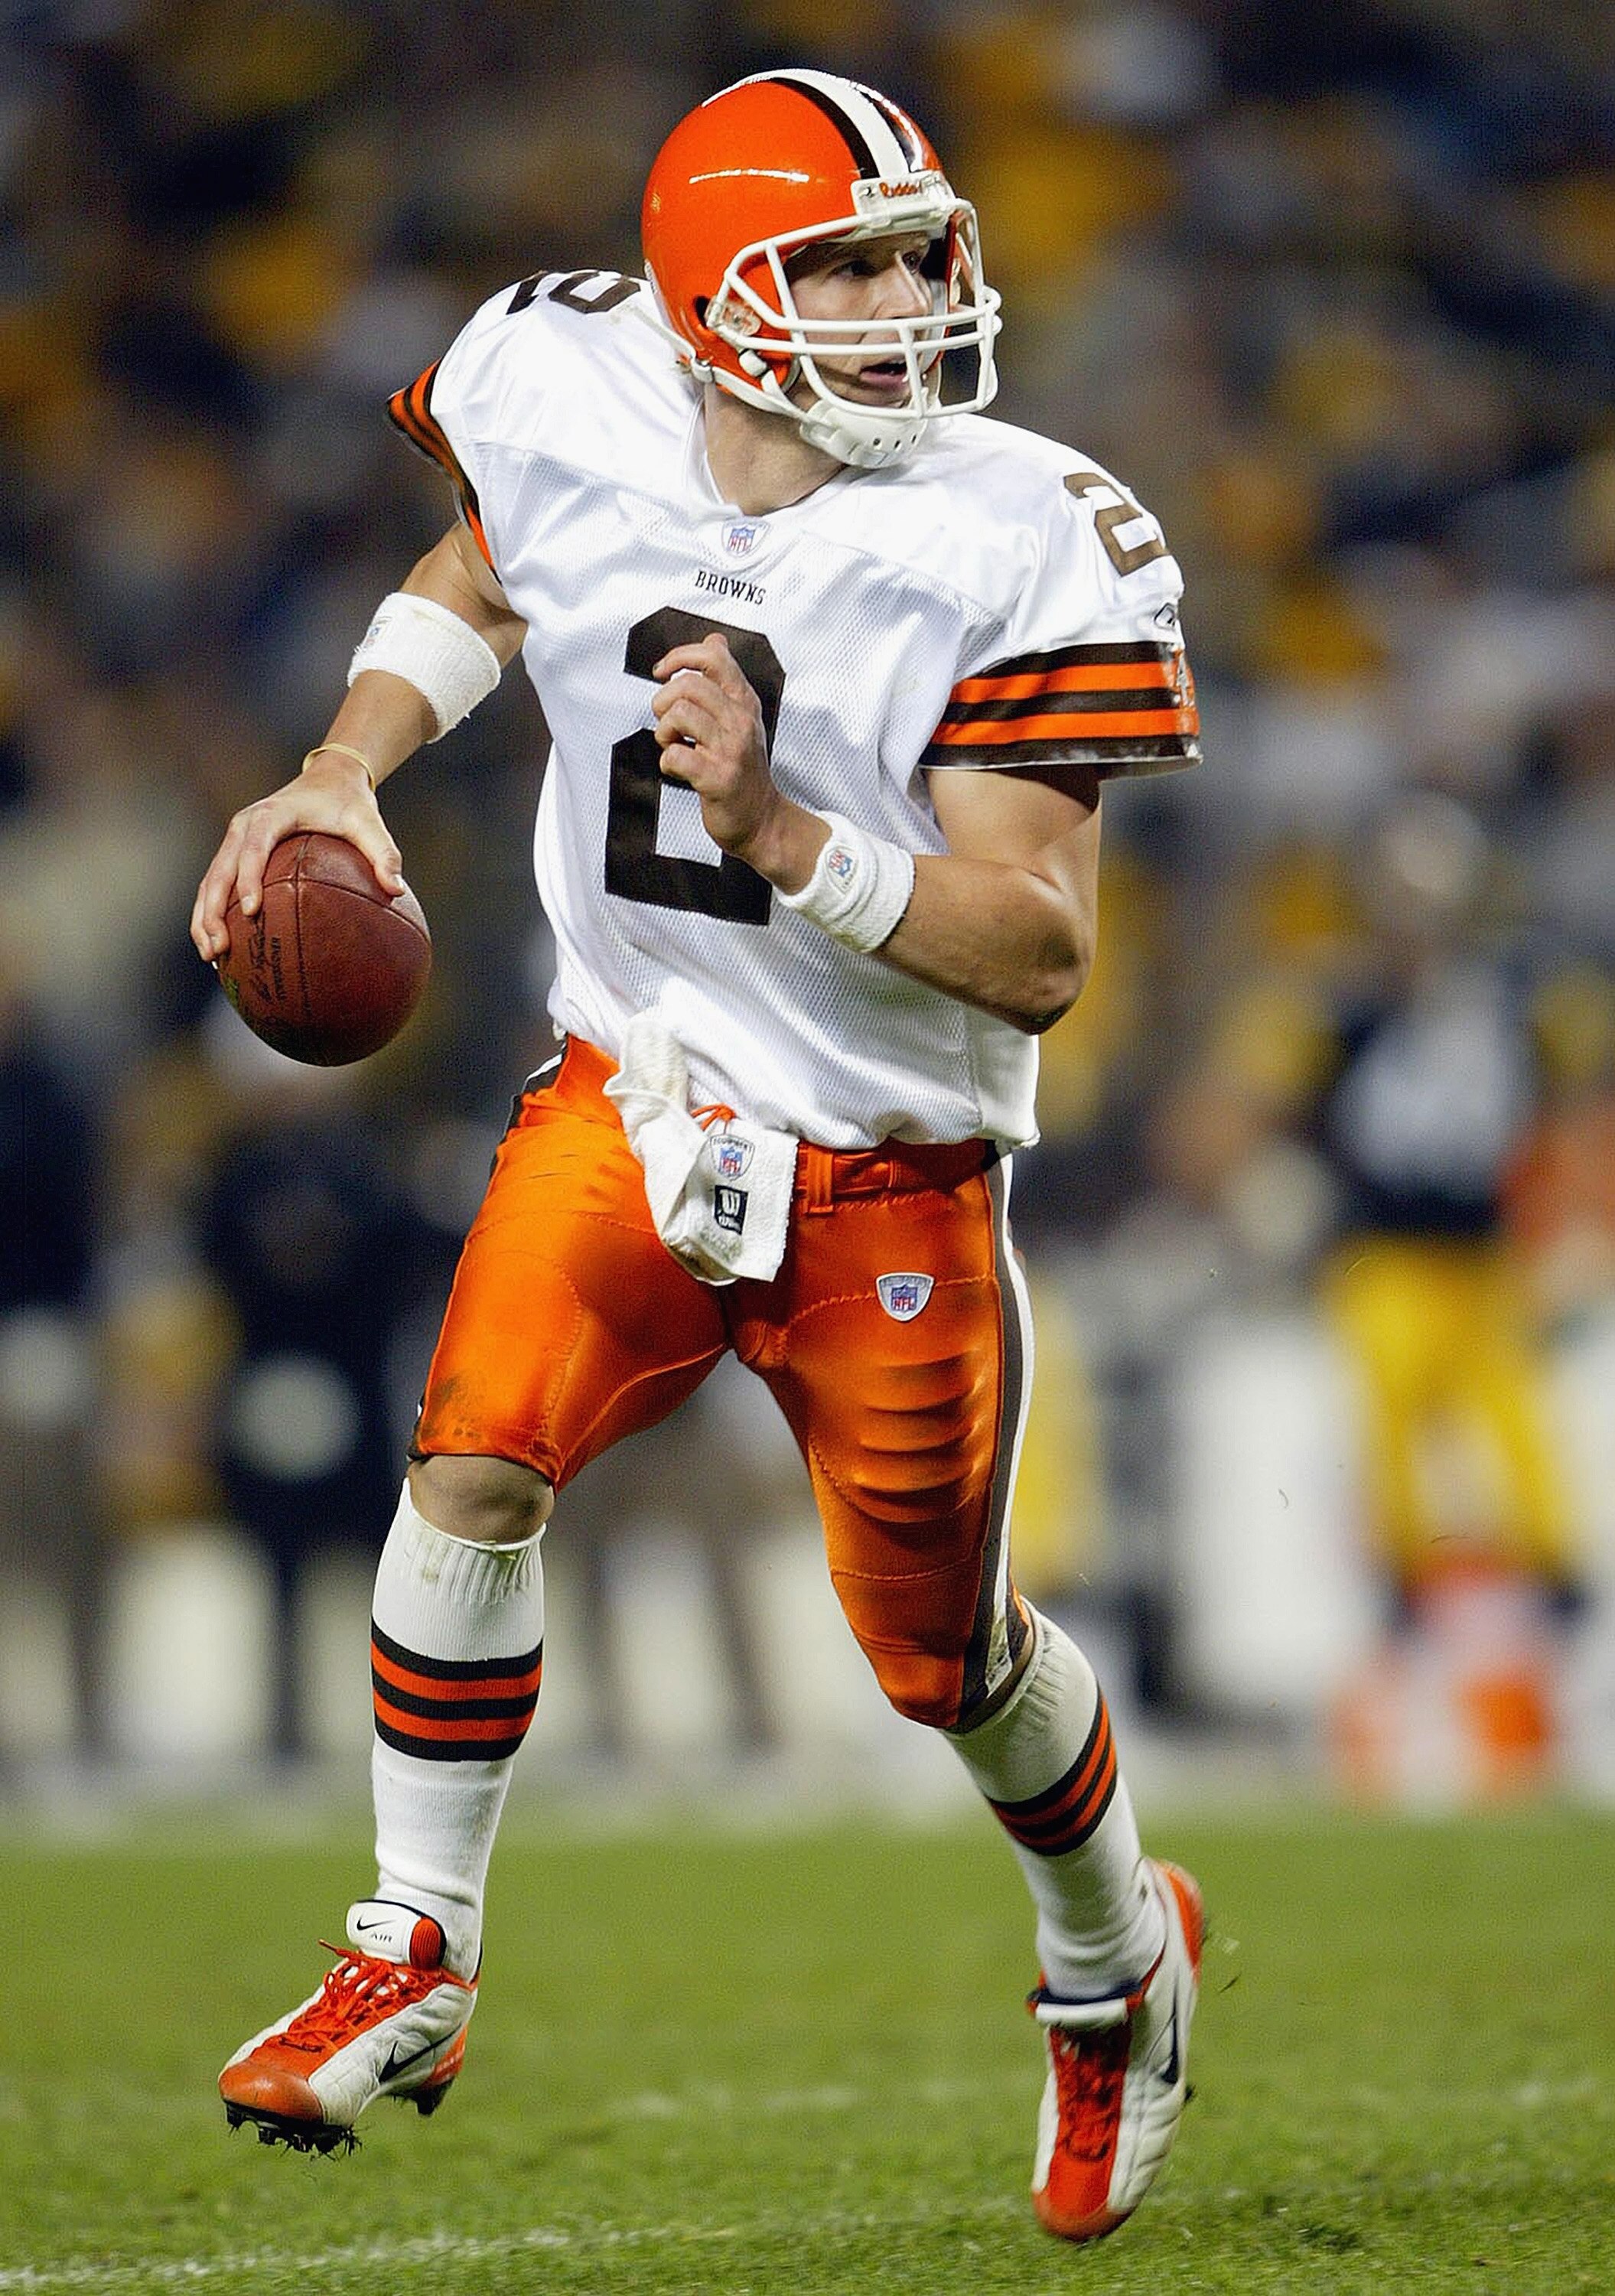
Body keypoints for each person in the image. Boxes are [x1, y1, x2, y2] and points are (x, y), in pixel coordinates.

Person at [191, 67, 1203, 2245]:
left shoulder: (1025, 526)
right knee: (471, 1465)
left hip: (889, 1162)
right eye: (846, 265)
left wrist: (782, 833)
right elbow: (488, 569)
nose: (906, 301)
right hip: (635, 1087)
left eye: (917, 255)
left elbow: (1039, 952)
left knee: (939, 1656)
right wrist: (345, 766)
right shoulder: (567, 388)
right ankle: (414, 1942)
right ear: (714, 298)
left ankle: (1116, 1958)